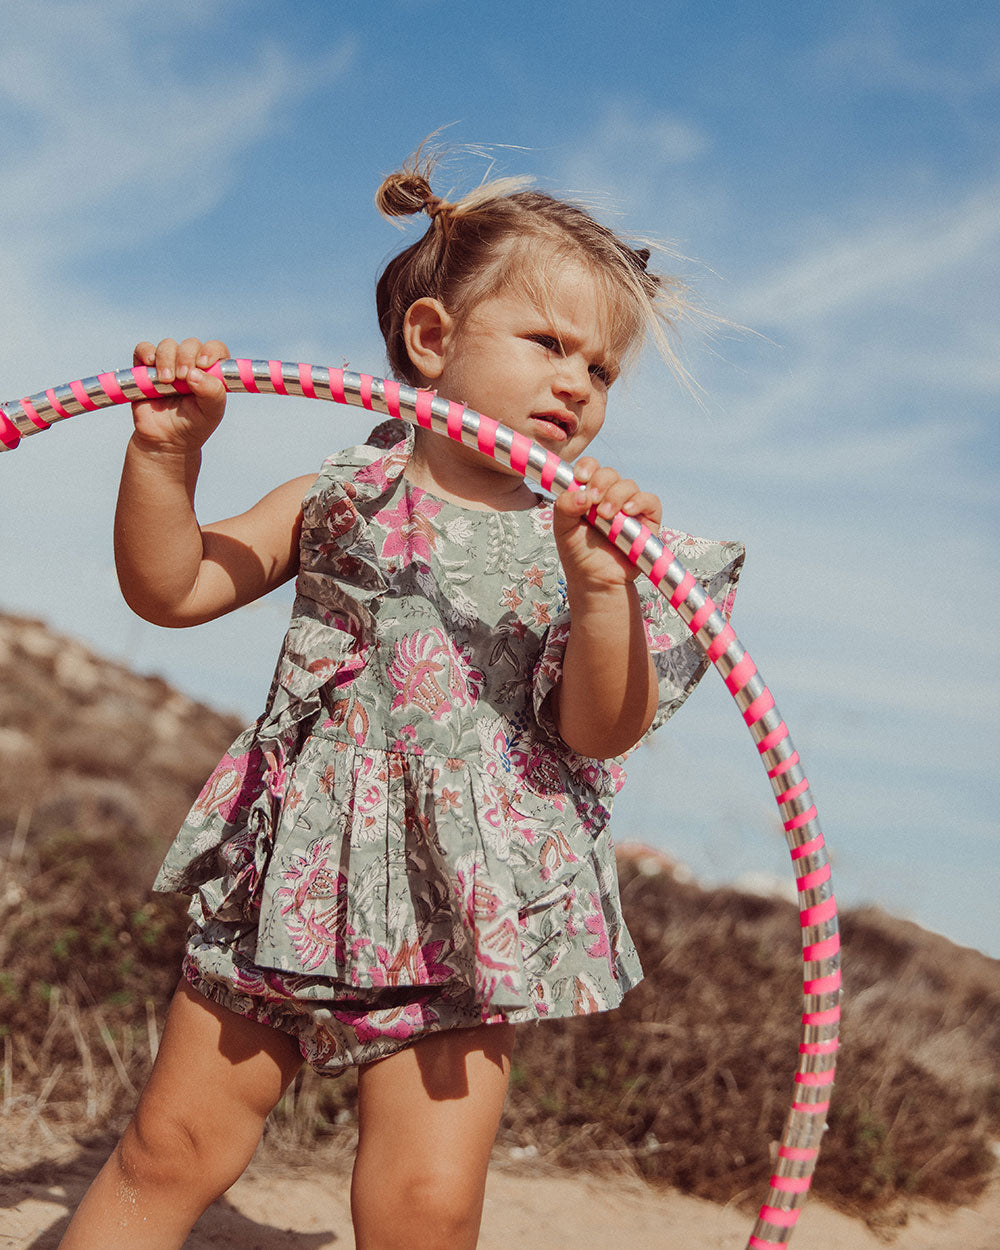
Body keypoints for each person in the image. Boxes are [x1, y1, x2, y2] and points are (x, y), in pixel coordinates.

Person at [59, 148, 744, 1250]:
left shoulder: (589, 544)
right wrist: (165, 454)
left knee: (425, 1205)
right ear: (431, 340)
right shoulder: (340, 493)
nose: (578, 382)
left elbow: (596, 728)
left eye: (604, 370)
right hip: (293, 870)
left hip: (463, 910)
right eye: (549, 343)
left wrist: (601, 585)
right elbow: (172, 587)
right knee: (169, 1148)